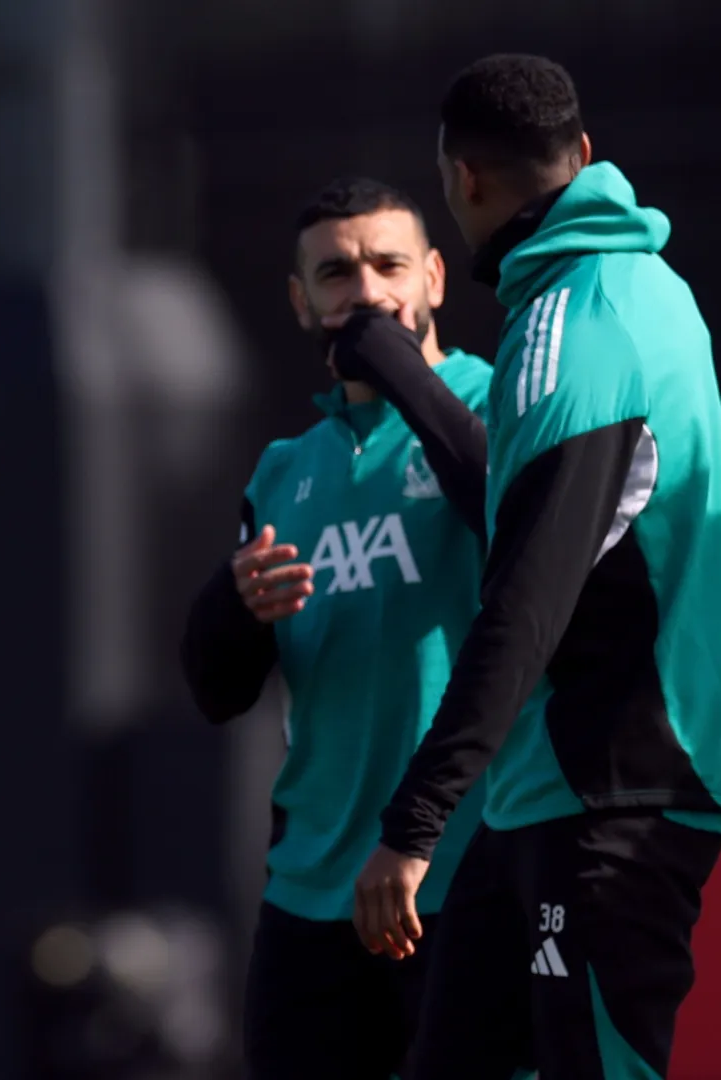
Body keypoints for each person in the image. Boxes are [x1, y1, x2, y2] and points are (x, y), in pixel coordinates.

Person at [349, 54, 721, 1079]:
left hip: (609, 787)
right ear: (582, 156)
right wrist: (407, 369)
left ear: (462, 180)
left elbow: (526, 602)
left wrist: (412, 824)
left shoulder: (577, 331)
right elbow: (532, 513)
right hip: (552, 788)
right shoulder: (637, 287)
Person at [178, 178, 490, 1080]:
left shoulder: (494, 405)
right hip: (313, 885)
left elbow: (508, 516)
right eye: (336, 272)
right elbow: (217, 690)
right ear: (299, 299)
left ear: (434, 275)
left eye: (389, 265)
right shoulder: (286, 470)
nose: (365, 290)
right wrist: (234, 607)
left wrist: (397, 364)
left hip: (459, 869)